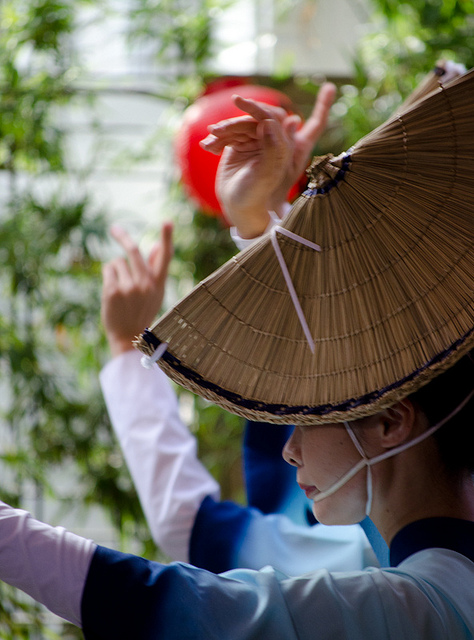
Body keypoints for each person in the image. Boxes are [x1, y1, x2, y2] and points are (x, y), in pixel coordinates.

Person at [1, 67, 473, 638]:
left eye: (304, 415)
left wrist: (129, 350)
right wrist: (265, 226)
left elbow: (178, 586)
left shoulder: (411, 608)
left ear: (392, 420)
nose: (289, 449)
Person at [100, 222, 384, 573]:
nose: (288, 451)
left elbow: (194, 527)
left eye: (311, 416)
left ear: (391, 420)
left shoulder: (366, 571)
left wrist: (125, 342)